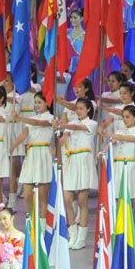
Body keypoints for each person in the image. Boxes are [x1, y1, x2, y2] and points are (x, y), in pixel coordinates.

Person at [59, 98, 98, 249]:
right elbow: (64, 139)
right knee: (67, 200)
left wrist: (64, 124)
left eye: (81, 108)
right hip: (71, 162)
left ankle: (81, 237)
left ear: (88, 109)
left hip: (84, 162)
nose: (78, 111)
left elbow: (78, 127)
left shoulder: (91, 124)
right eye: (77, 108)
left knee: (82, 202)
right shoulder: (71, 124)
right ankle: (73, 234)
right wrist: (57, 139)